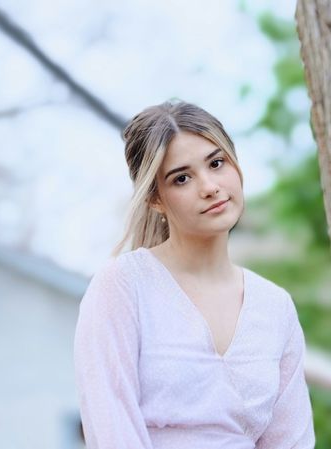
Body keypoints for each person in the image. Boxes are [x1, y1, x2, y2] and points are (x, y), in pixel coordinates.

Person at [73, 99, 315, 448]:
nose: (209, 186)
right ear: (155, 198)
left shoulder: (275, 306)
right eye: (182, 178)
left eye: (217, 163)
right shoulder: (124, 285)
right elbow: (111, 427)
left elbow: (291, 440)